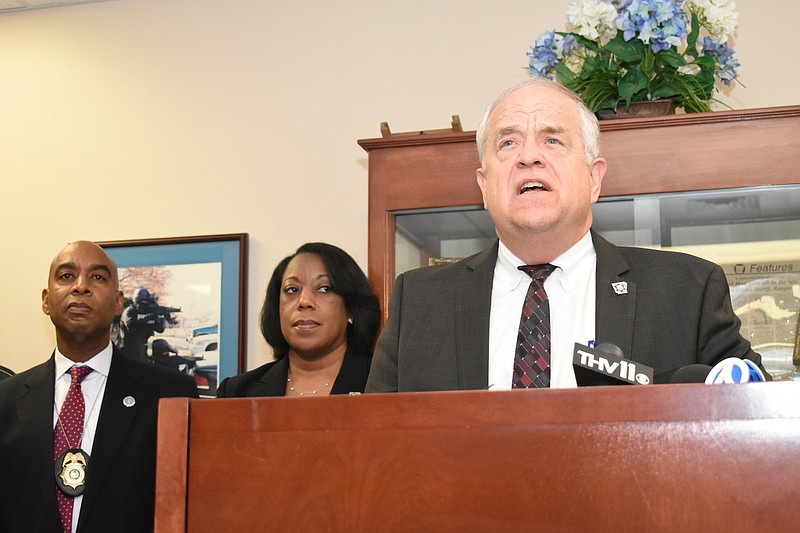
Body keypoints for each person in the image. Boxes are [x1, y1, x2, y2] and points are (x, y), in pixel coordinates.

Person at [365, 77, 768, 392]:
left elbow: (756, 420)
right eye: (508, 142)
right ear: (484, 186)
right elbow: (373, 445)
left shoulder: (688, 289)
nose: (528, 156)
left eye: (552, 139)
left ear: (594, 179)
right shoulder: (419, 300)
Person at [0, 240, 198, 533]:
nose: (81, 286)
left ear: (118, 301)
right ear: (46, 300)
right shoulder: (6, 399)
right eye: (66, 276)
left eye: (98, 277)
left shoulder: (170, 394)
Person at [217, 242, 380, 397]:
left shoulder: (385, 386)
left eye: (324, 288)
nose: (304, 301)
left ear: (351, 308)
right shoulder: (237, 392)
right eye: (292, 289)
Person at [118, 287, 175, 362]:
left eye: (147, 301)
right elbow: (132, 327)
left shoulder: (147, 313)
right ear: (137, 300)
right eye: (143, 301)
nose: (145, 304)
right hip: (126, 350)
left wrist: (160, 319)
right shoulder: (130, 312)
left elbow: (160, 330)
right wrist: (149, 316)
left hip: (142, 349)